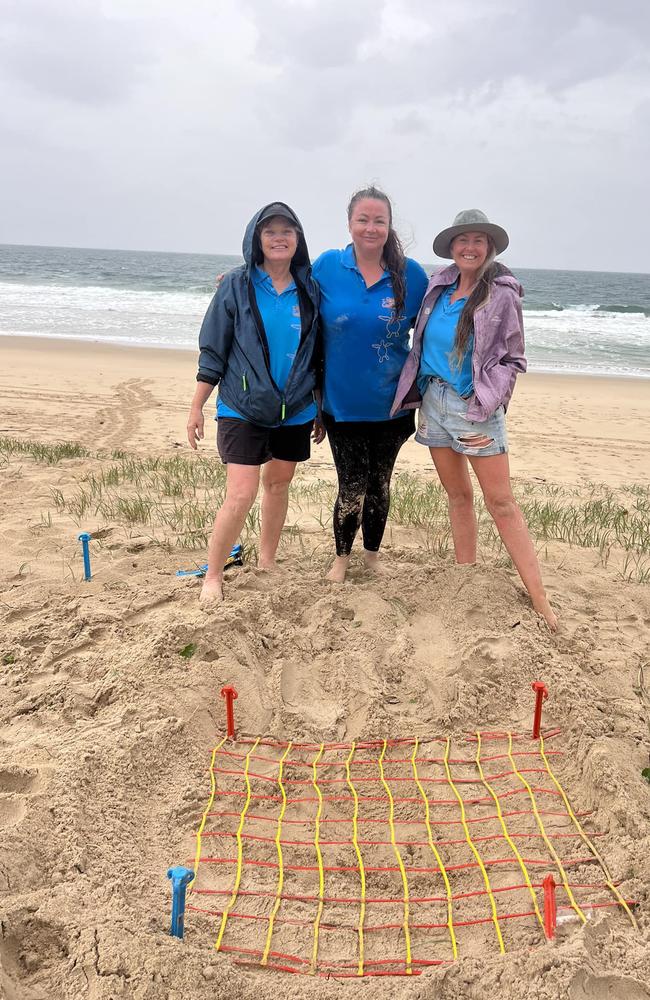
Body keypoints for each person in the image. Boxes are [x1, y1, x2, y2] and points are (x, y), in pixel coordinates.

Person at [391, 209, 557, 629]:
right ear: (451, 247)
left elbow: (514, 358)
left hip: (474, 407)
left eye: (478, 241)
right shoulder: (437, 286)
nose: (469, 247)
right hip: (432, 403)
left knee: (501, 502)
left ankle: (540, 600)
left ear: (490, 248)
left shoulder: (501, 294)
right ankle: (466, 576)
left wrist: (489, 395)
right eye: (462, 240)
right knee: (457, 496)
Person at [186, 202, 320, 604]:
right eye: (270, 232)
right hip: (242, 406)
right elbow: (214, 348)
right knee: (241, 493)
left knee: (278, 485)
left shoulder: (311, 288)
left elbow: (319, 351)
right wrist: (197, 406)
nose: (279, 238)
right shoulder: (236, 284)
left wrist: (319, 403)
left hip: (296, 407)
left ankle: (267, 561)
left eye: (287, 231)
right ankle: (212, 574)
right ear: (256, 240)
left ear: (298, 240)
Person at [312, 186, 429, 583]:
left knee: (380, 483)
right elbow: (289, 291)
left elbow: (441, 317)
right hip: (340, 403)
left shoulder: (410, 274)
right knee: (351, 484)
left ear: (389, 225)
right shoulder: (327, 266)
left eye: (379, 220)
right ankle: (341, 560)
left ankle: (372, 556)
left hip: (391, 404)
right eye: (363, 219)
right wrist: (241, 280)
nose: (371, 227)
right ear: (349, 223)